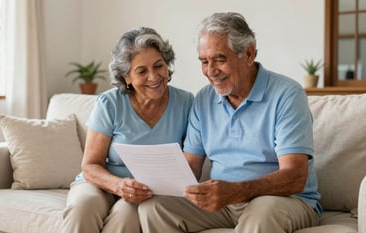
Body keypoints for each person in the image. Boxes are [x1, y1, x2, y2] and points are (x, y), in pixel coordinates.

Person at [138, 12, 322, 233]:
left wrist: (235, 191)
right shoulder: (204, 99)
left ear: (249, 54)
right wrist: (152, 182)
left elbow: (295, 176)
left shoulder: (287, 95)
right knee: (153, 208)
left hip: (282, 200)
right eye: (204, 62)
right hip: (224, 205)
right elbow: (190, 168)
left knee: (261, 215)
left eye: (220, 59)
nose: (211, 71)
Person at [62, 27, 194, 233]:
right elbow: (90, 165)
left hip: (148, 192)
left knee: (126, 217)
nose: (154, 76)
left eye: (159, 65)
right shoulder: (109, 103)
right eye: (142, 71)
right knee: (83, 207)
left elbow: (190, 162)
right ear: (126, 78)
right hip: (101, 183)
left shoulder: (186, 102)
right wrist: (118, 185)